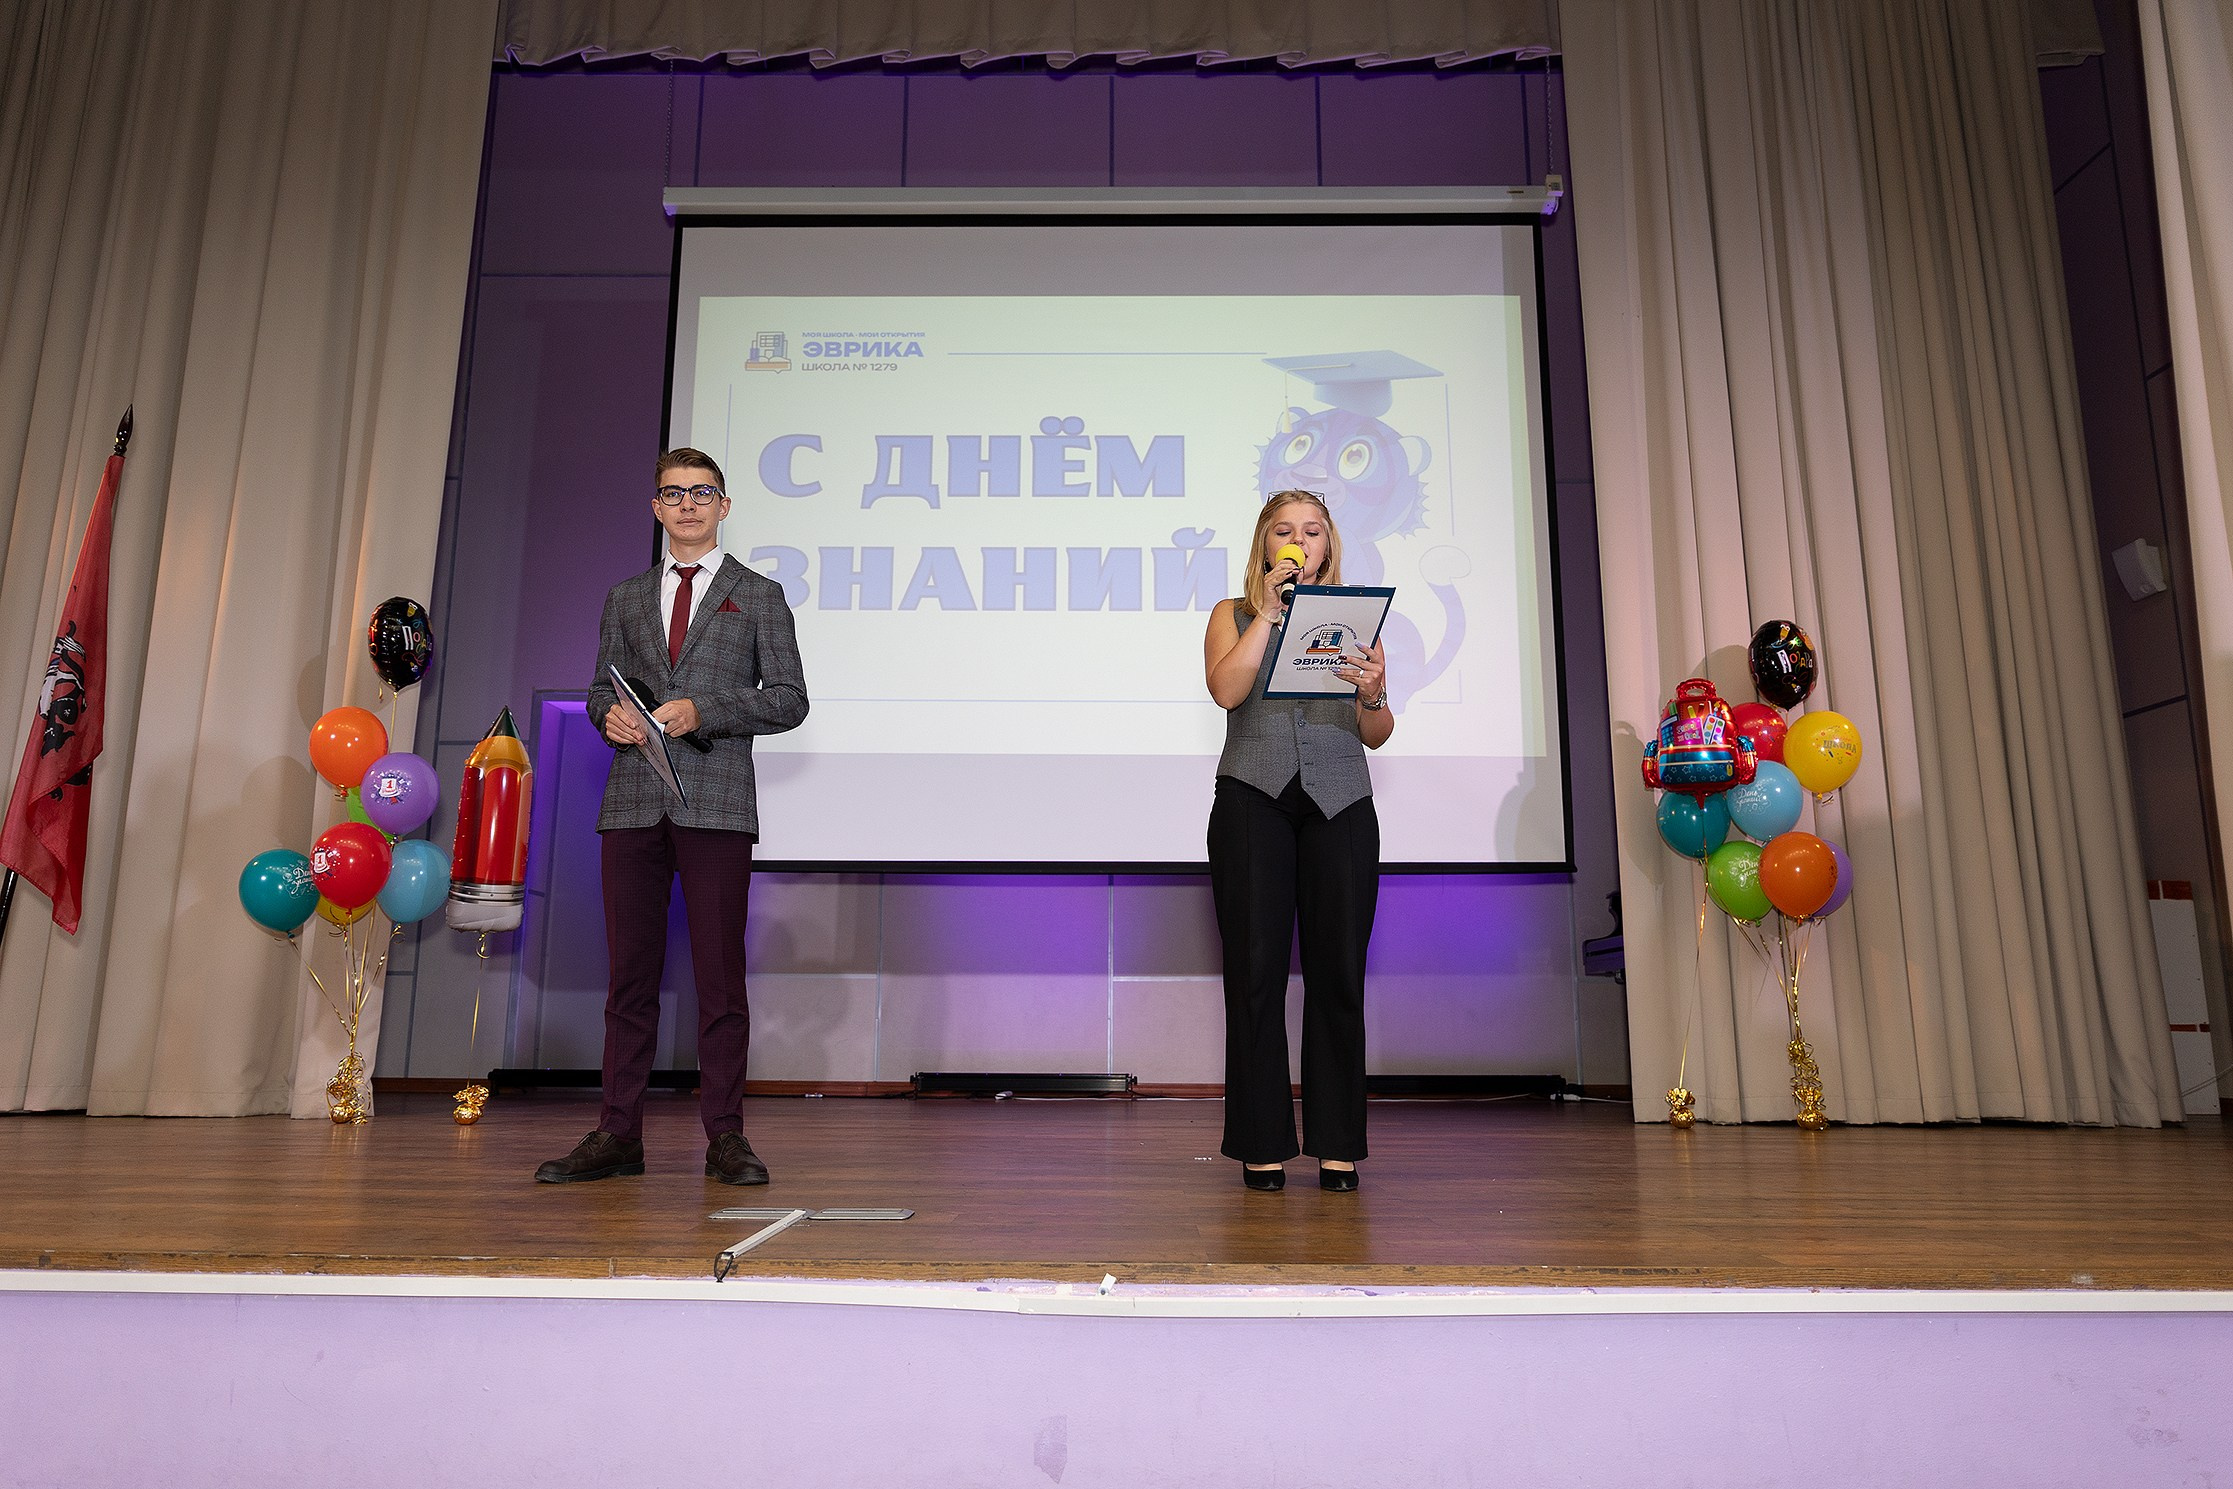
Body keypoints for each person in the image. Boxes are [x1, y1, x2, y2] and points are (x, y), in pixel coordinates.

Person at [535, 448, 809, 1185]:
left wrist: (706, 709)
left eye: (702, 492)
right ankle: (618, 1131)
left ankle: (725, 1135)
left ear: (724, 505)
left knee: (719, 980)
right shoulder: (625, 597)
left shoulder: (758, 594)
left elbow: (788, 698)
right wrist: (609, 718)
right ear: (656, 507)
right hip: (631, 800)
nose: (687, 503)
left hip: (717, 801)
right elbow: (598, 688)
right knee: (629, 979)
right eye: (672, 493)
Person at [1202, 489, 1391, 1193]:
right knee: (1253, 978)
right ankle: (1261, 1144)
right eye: (1284, 530)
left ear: (1327, 544)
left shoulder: (1353, 619)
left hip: (1340, 800)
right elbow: (1224, 690)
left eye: (1311, 531)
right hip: (1253, 799)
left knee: (1338, 974)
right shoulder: (1233, 614)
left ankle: (1338, 1144)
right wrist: (1270, 614)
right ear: (1264, 545)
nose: (1299, 540)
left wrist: (1372, 692)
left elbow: (1376, 729)